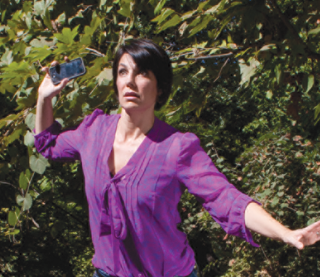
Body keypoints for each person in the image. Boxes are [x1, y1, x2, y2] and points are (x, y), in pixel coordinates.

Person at [33, 39, 320, 277]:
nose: (130, 81)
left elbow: (225, 198)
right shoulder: (93, 132)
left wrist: (285, 233)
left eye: (142, 72)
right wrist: (43, 98)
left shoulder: (176, 148)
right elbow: (47, 144)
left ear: (160, 88)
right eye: (123, 72)